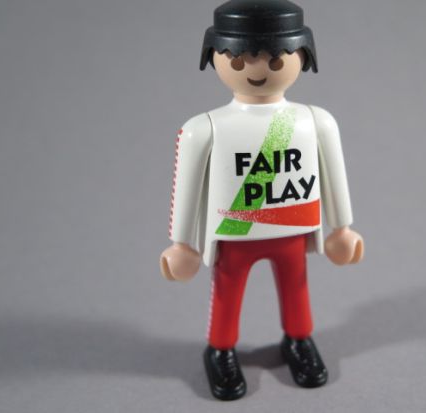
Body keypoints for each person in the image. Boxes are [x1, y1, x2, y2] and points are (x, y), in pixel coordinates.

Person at [160, 0, 364, 401]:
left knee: (296, 286)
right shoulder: (205, 128)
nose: (257, 71)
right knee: (228, 291)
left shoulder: (314, 121)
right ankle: (220, 349)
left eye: (275, 61)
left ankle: (299, 339)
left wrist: (342, 228)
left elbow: (333, 176)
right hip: (235, 231)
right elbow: (187, 186)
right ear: (215, 58)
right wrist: (182, 243)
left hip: (292, 226)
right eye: (239, 61)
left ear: (302, 56)